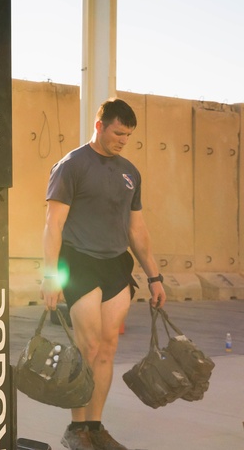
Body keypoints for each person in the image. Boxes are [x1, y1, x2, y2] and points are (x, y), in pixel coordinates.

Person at [42, 98, 166, 450]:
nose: (123, 140)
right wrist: (50, 275)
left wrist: (154, 276)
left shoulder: (130, 173)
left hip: (115, 263)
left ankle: (94, 427)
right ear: (99, 125)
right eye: (117, 133)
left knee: (108, 347)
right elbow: (53, 223)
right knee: (89, 346)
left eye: (128, 135)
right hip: (78, 261)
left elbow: (137, 229)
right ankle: (75, 429)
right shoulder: (71, 165)